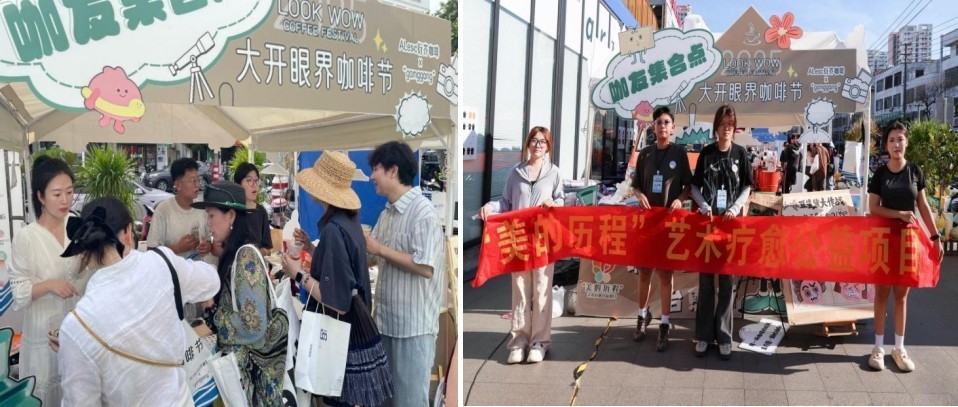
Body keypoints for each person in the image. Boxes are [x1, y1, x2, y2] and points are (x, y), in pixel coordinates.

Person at [57, 197, 219, 405]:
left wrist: (74, 348)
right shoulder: (163, 262)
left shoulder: (76, 326)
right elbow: (211, 281)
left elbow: (80, 401)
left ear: (85, 248)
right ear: (128, 232)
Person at [282, 151, 394, 407]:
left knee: (337, 398)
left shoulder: (333, 229)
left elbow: (335, 299)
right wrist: (311, 248)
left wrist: (297, 273)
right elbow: (343, 268)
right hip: (356, 323)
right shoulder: (349, 222)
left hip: (339, 329)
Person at [366, 141, 447, 406]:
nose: (372, 176)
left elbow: (425, 267)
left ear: (393, 170)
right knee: (385, 401)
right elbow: (372, 255)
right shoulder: (387, 213)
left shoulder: (423, 212)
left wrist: (379, 248)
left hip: (413, 329)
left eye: (375, 169)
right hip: (386, 324)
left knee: (409, 402)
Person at [193, 181, 288, 405]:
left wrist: (211, 310)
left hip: (251, 376)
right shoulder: (234, 253)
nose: (208, 223)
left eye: (212, 215)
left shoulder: (246, 257)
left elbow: (253, 325)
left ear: (231, 216)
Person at [477, 127, 564, 365]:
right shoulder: (516, 173)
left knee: (542, 289)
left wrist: (554, 203)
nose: (538, 145)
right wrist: (490, 207)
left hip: (543, 241)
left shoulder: (554, 172)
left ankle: (540, 341)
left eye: (543, 141)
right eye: (534, 140)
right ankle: (519, 340)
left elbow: (562, 200)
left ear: (548, 146)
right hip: (519, 239)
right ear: (527, 144)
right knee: (520, 290)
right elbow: (505, 202)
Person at [866, 121, 943, 372]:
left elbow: (923, 206)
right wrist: (898, 214)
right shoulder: (880, 174)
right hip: (883, 240)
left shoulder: (915, 172)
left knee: (901, 296)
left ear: (906, 142)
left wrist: (935, 237)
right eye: (891, 140)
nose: (896, 144)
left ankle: (899, 349)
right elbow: (873, 208)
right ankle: (878, 348)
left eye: (900, 139)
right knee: (881, 294)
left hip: (908, 241)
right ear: (886, 146)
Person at [8, 156, 86, 405]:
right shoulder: (27, 237)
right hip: (43, 332)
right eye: (57, 194)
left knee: (76, 392)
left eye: (69, 192)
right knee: (47, 393)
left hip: (75, 327)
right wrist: (49, 285)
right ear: (40, 196)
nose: (65, 200)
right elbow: (19, 293)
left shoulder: (76, 225)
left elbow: (81, 274)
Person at [690, 104, 753, 360]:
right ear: (716, 127)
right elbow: (694, 187)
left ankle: (724, 337)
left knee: (727, 282)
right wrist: (704, 205)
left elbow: (747, 186)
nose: (727, 128)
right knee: (706, 282)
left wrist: (736, 208)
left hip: (730, 227)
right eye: (723, 124)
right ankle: (704, 336)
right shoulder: (706, 153)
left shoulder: (741, 153)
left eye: (730, 124)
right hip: (708, 226)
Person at [629, 107, 692, 351]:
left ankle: (664, 322)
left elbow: (688, 186)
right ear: (653, 127)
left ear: (672, 127)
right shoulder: (645, 154)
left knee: (665, 274)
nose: (662, 126)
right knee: (644, 272)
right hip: (647, 223)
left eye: (666, 122)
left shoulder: (679, 153)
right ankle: (641, 315)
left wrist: (680, 199)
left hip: (668, 223)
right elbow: (635, 186)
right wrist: (640, 195)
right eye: (658, 122)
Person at [147, 157, 214, 262]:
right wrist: (177, 248)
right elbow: (151, 252)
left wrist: (207, 247)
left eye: (198, 180)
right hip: (172, 271)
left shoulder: (202, 209)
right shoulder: (163, 210)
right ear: (178, 185)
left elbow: (209, 242)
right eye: (192, 180)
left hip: (197, 270)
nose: (197, 185)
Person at [233, 162, 273, 257]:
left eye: (256, 180)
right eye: (249, 181)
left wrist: (254, 254)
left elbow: (268, 248)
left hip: (255, 264)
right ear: (238, 184)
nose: (254, 185)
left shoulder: (261, 212)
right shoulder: (231, 211)